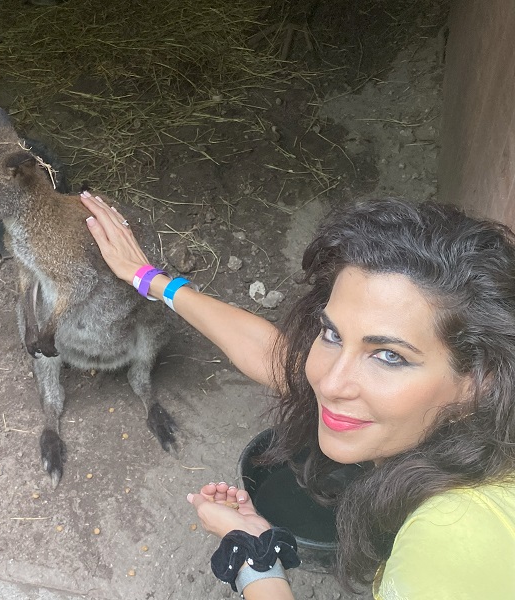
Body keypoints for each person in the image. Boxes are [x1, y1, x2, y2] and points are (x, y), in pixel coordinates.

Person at [80, 192, 515, 599]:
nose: (328, 382)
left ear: (481, 380)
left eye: (388, 356)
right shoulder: (470, 422)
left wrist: (255, 561)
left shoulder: (453, 535)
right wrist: (150, 280)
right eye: (331, 334)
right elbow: (274, 356)